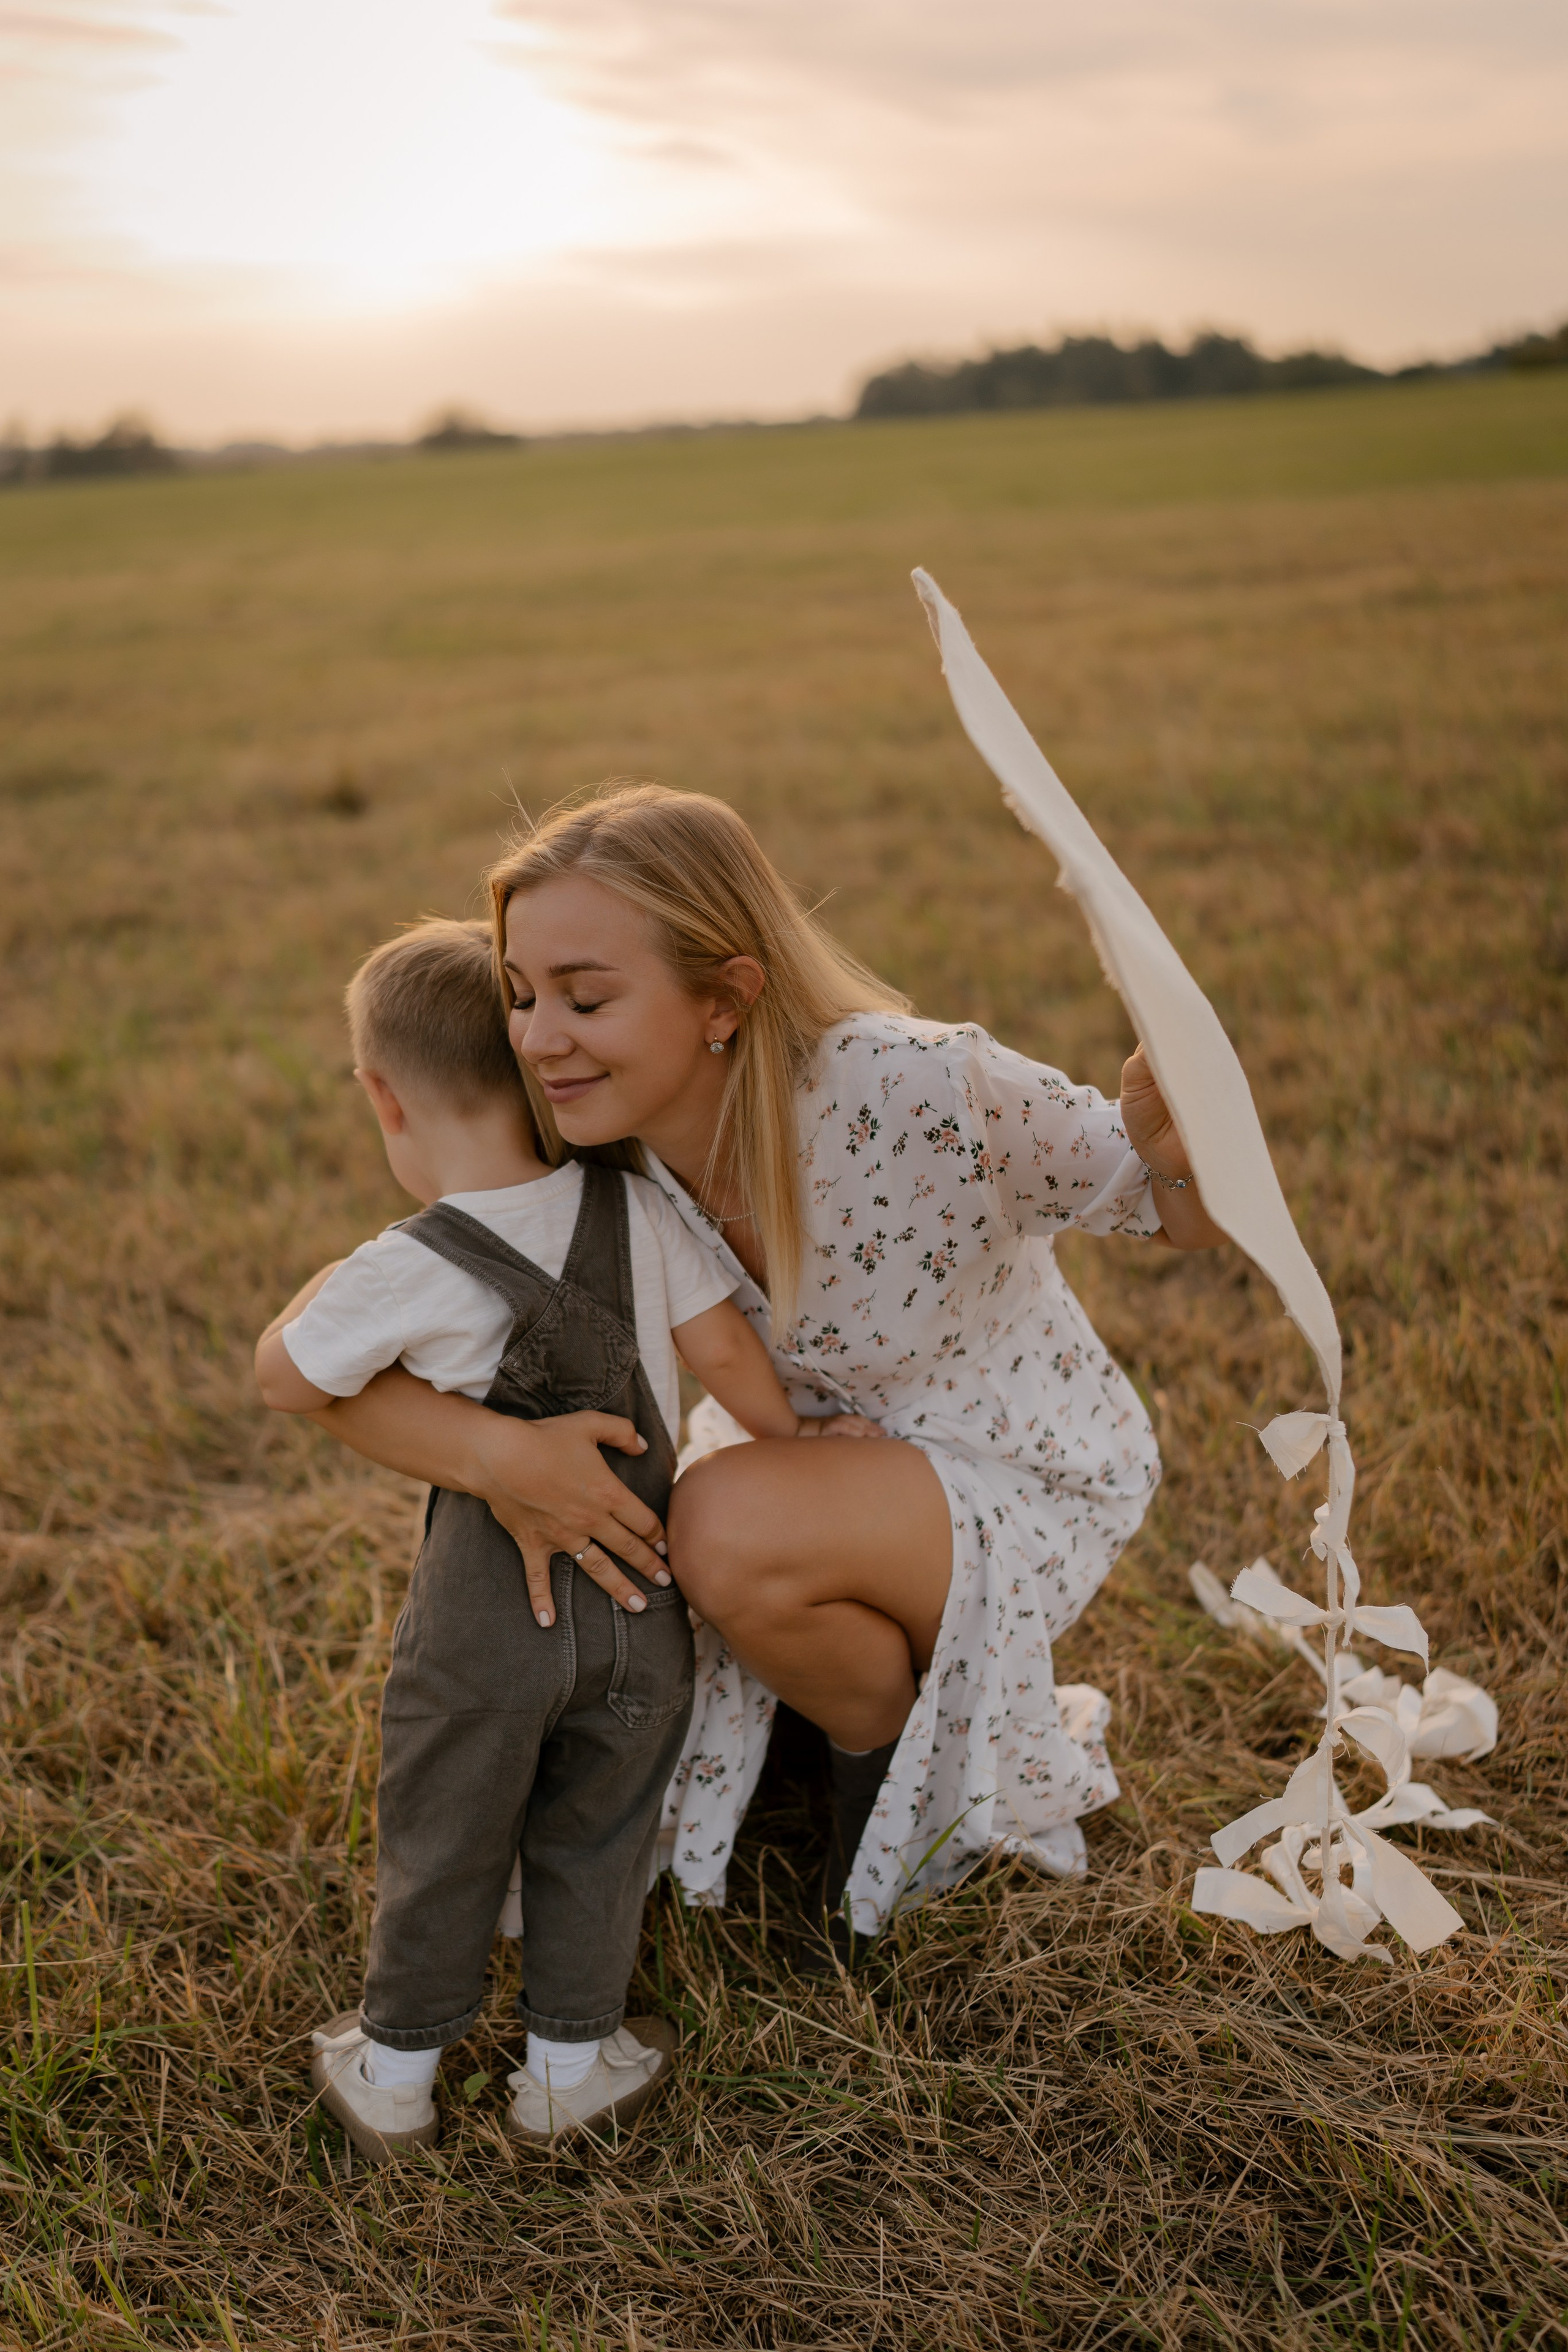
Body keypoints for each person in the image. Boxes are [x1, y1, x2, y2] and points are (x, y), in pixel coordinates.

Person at [297, 787, 1225, 1950]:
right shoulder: (593, 1139)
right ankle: (836, 1700)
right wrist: (498, 1456)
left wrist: (1181, 1146)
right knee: (618, 1535)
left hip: (1017, 1472)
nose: (536, 1038)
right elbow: (304, 1353)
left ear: (726, 997)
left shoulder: (917, 1090)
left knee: (720, 1524)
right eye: (522, 996)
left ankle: (882, 1773)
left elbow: (1173, 1211)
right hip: (806, 1460)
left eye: (585, 998)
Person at [254, 918, 879, 2161]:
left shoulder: (406, 1264)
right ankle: (568, 2068)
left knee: (445, 1835)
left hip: (482, 1640)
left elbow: (287, 1378)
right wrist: (809, 1449)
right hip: (640, 1613)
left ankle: (392, 2074)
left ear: (383, 1096)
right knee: (595, 1831)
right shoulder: (636, 1206)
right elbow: (736, 1375)